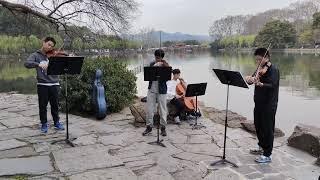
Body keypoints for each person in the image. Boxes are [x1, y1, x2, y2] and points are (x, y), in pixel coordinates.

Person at [245, 47, 280, 163]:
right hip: (258, 103)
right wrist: (249, 79)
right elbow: (252, 80)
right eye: (257, 60)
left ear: (266, 58)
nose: (258, 62)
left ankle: (267, 154)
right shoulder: (259, 68)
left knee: (267, 129)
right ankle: (261, 147)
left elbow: (273, 85)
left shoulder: (273, 69)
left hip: (269, 104)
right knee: (258, 125)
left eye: (260, 60)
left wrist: (261, 84)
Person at [24, 37, 65, 133]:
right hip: (42, 84)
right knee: (42, 106)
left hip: (55, 83)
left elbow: (62, 65)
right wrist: (38, 64)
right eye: (49, 44)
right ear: (44, 43)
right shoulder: (36, 55)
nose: (50, 47)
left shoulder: (54, 54)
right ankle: (44, 124)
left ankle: (57, 122)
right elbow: (27, 63)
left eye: (52, 46)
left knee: (55, 105)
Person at [142, 49, 170, 137]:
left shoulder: (166, 65)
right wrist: (154, 66)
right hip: (152, 90)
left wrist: (164, 66)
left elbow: (167, 78)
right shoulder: (152, 64)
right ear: (155, 57)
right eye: (156, 57)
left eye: (159, 58)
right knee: (149, 109)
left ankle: (163, 128)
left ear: (162, 57)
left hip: (162, 91)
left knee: (163, 109)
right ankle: (149, 127)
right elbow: (147, 75)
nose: (158, 59)